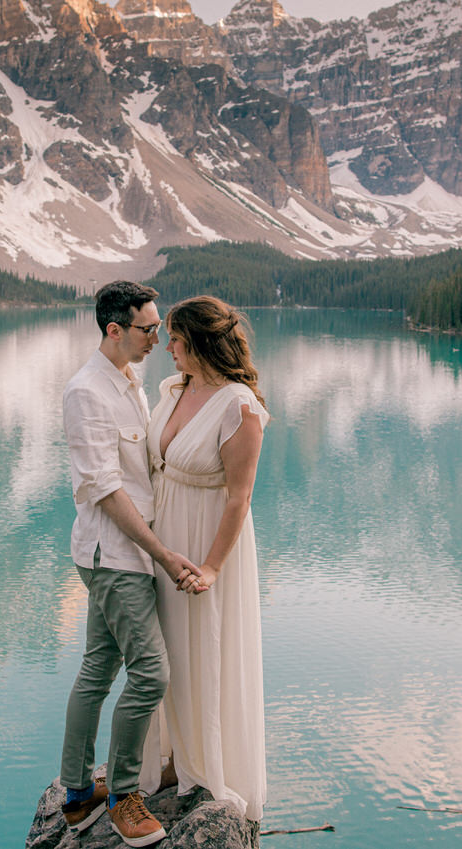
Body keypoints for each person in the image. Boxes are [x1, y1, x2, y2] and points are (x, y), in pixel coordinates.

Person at [59, 280, 204, 848]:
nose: (158, 338)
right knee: (151, 674)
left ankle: (75, 795)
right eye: (149, 329)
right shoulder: (85, 393)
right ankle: (122, 795)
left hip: (126, 554)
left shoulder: (129, 381)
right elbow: (106, 491)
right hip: (115, 557)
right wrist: (163, 555)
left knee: (97, 669)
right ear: (114, 330)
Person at [138, 295, 268, 822]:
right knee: (162, 652)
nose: (165, 347)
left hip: (207, 540)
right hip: (163, 536)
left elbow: (239, 497)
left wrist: (212, 567)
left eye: (175, 339)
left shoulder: (240, 406)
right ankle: (169, 757)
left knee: (203, 651)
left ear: (200, 343)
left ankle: (205, 766)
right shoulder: (175, 388)